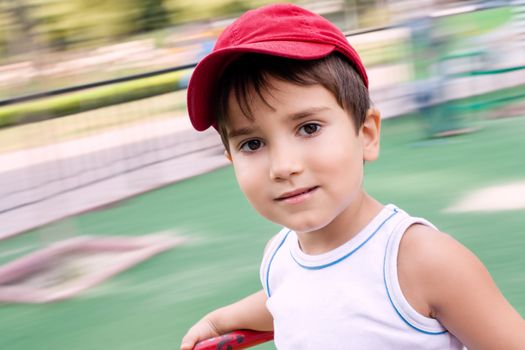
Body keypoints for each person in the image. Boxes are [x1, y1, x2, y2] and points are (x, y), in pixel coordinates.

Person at [180, 4, 525, 349]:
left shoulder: (423, 261)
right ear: (231, 159)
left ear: (367, 134)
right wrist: (219, 320)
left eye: (309, 127)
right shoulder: (279, 257)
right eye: (252, 144)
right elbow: (293, 299)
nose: (283, 166)